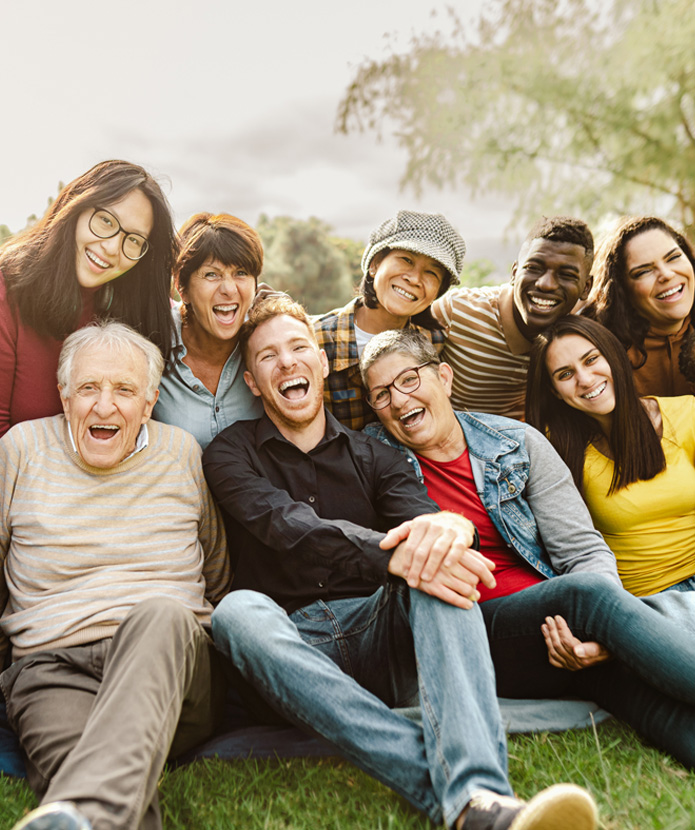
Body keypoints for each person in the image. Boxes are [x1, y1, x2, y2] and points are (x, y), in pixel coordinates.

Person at [203, 297, 598, 830]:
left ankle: (480, 794)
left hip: (380, 634)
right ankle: (461, 801)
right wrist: (394, 557)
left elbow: (428, 523)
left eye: (299, 347)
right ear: (252, 381)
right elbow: (285, 525)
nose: (287, 363)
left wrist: (448, 533)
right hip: (290, 643)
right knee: (235, 613)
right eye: (268, 357)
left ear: (321, 362)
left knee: (438, 567)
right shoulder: (228, 453)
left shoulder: (379, 457)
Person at [361, 327, 695, 771]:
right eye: (381, 394)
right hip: (469, 628)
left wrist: (594, 639)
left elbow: (582, 549)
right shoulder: (369, 457)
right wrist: (597, 617)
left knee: (621, 682)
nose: (399, 401)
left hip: (554, 624)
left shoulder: (516, 442)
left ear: (444, 377)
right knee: (585, 596)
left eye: (408, 380)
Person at [1, 321, 231, 830]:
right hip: (51, 668)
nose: (104, 406)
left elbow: (215, 569)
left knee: (162, 614)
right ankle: (95, 815)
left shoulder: (180, 453)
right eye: (88, 388)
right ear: (64, 395)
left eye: (124, 390)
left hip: (167, 660)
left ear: (149, 401)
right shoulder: (20, 450)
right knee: (84, 779)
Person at [0, 159, 177, 439]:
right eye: (106, 221)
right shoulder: (7, 293)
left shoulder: (139, 305)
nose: (110, 248)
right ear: (76, 208)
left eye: (133, 240)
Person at [527, 314, 695, 598]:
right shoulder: (555, 449)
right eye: (565, 374)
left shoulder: (687, 413)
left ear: (614, 356)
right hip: (646, 602)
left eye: (591, 359)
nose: (585, 379)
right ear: (555, 393)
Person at [314, 209, 465, 431]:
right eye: (406, 260)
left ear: (438, 292)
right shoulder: (316, 340)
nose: (414, 278)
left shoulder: (433, 342)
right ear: (374, 264)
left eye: (431, 273)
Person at [432, 216, 593, 419]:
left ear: (586, 287)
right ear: (514, 273)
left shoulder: (583, 339)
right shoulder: (456, 312)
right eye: (534, 268)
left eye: (566, 274)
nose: (546, 284)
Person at [152, 212, 264, 448]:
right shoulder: (151, 341)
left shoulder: (266, 341)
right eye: (211, 274)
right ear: (182, 289)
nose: (229, 289)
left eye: (241, 273)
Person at [587, 215, 695, 396]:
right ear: (621, 289)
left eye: (674, 257)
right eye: (644, 271)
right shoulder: (601, 355)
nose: (666, 274)